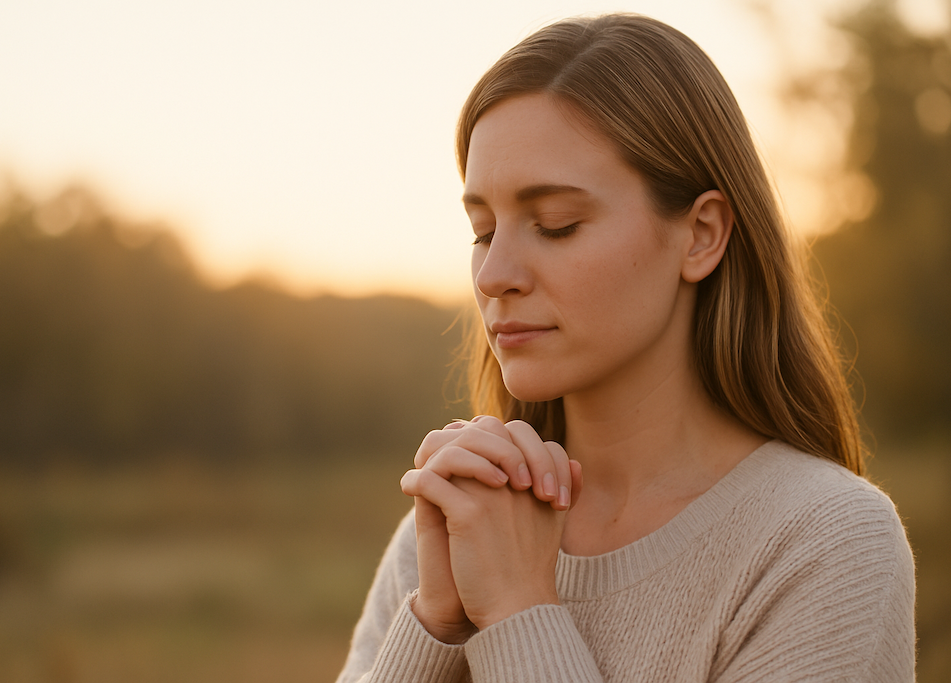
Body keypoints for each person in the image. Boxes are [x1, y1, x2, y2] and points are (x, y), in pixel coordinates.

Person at [336, 13, 915, 683]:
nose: (495, 274)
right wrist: (435, 625)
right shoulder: (453, 528)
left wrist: (518, 609)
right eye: (482, 230)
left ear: (701, 234)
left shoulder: (823, 540)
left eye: (556, 225)